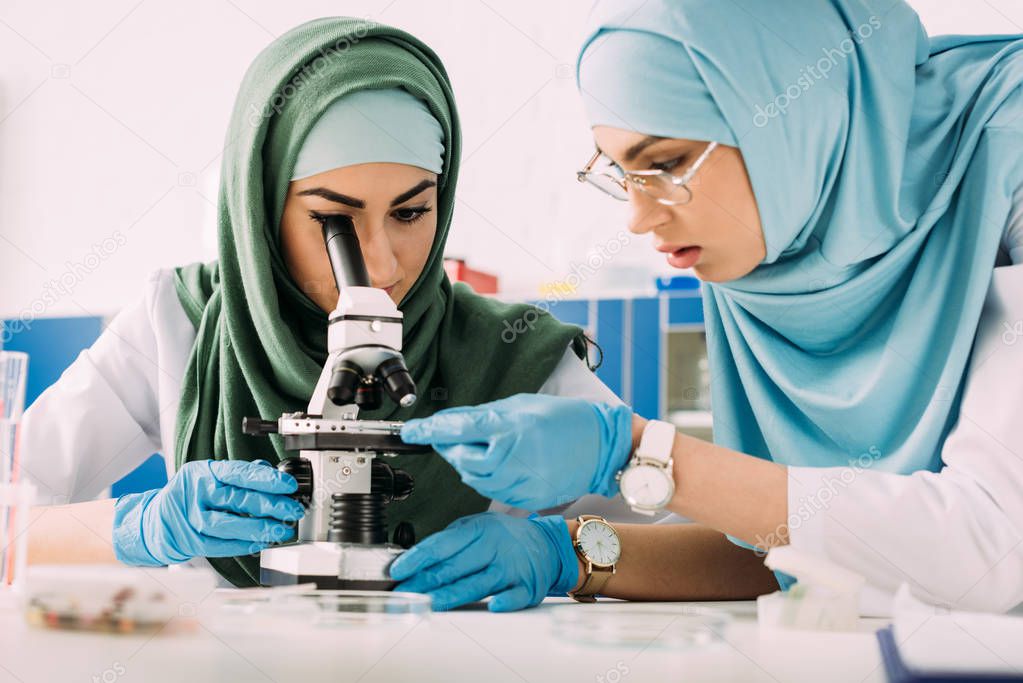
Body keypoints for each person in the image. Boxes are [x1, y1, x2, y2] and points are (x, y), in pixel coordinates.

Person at [390, 0, 1023, 614]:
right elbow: (784, 546)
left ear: (788, 113)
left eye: (663, 164)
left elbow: (990, 551)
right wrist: (572, 552)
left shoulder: (1008, 148)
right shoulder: (771, 234)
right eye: (620, 172)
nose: (639, 218)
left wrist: (639, 454)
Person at [19, 17, 626, 588]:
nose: (382, 266)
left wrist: (560, 551)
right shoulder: (177, 321)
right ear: (260, 209)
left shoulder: (514, 351)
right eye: (334, 222)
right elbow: (12, 511)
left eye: (412, 212)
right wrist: (138, 528)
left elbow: (699, 536)